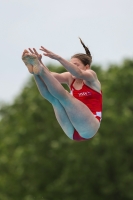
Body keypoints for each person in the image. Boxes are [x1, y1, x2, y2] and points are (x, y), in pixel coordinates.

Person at [22, 38, 102, 141]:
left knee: (65, 97)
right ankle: (33, 71)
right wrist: (39, 63)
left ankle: (36, 68)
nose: (70, 69)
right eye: (70, 65)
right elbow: (49, 76)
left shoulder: (91, 77)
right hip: (72, 132)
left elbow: (79, 73)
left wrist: (58, 58)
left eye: (75, 65)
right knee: (54, 100)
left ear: (86, 67)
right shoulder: (69, 77)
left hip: (89, 127)